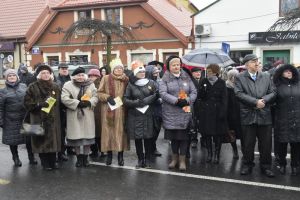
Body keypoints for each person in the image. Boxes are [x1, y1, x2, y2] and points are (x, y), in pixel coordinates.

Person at [234, 54, 276, 177]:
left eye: (257, 61)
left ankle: (266, 166)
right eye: (253, 61)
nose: (257, 63)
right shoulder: (240, 77)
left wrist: (264, 100)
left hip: (264, 115)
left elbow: (273, 92)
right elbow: (238, 93)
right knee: (248, 143)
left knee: (266, 144)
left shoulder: (266, 76)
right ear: (247, 65)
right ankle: (247, 164)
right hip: (248, 115)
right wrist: (254, 102)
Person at [159, 55, 197, 171]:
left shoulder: (186, 77)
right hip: (171, 113)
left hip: (185, 112)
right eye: (174, 65)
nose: (176, 67)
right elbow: (163, 93)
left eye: (178, 64)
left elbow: (194, 91)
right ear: (169, 67)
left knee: (184, 138)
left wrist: (187, 100)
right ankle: (174, 159)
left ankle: (182, 161)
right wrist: (176, 101)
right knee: (174, 139)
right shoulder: (164, 78)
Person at [24, 65, 61, 170]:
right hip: (37, 118)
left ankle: (53, 162)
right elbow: (26, 103)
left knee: (53, 140)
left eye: (47, 73)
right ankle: (45, 164)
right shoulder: (32, 86)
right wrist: (39, 104)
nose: (46, 75)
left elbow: (60, 102)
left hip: (54, 119)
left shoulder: (56, 86)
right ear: (39, 75)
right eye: (43, 73)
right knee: (40, 141)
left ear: (51, 75)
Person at [61, 67, 98, 167]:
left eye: (82, 75)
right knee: (76, 139)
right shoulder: (68, 85)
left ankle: (85, 159)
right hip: (74, 114)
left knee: (87, 138)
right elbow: (64, 98)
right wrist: (77, 103)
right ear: (74, 76)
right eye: (78, 75)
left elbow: (95, 96)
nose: (80, 77)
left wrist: (89, 102)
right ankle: (78, 158)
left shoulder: (91, 84)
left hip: (87, 113)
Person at [124, 61, 158, 168]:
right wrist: (137, 103)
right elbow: (125, 100)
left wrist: (149, 100)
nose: (143, 73)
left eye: (143, 71)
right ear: (135, 73)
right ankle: (140, 159)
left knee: (148, 138)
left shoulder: (151, 83)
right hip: (135, 115)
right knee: (138, 139)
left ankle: (147, 160)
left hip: (148, 114)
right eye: (140, 72)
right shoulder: (130, 84)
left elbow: (156, 95)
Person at [0, 69, 37, 167]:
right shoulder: (2, 92)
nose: (12, 77)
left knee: (29, 139)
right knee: (13, 141)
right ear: (6, 78)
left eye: (13, 75)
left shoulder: (24, 86)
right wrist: (1, 121)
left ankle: (31, 157)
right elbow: (0, 108)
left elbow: (30, 99)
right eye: (9, 76)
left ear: (17, 77)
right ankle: (15, 158)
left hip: (25, 118)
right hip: (10, 120)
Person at [98, 58, 129, 166]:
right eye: (117, 68)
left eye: (121, 68)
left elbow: (129, 94)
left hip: (122, 111)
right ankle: (109, 155)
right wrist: (107, 97)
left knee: (121, 133)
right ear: (113, 69)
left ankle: (121, 156)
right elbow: (99, 93)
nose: (119, 70)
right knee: (109, 133)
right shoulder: (106, 78)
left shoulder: (126, 79)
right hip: (108, 110)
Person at [273, 64, 300, 176]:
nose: (289, 72)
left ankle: (295, 165)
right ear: (281, 73)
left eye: (290, 71)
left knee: (296, 144)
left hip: (297, 119)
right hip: (282, 119)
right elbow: (272, 101)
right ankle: (282, 164)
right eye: (286, 71)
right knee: (282, 145)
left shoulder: (298, 84)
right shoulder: (277, 86)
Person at [198, 64, 227, 164]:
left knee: (218, 135)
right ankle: (209, 154)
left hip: (217, 112)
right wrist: (203, 90)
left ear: (215, 72)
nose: (208, 73)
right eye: (207, 71)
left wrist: (223, 112)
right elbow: (200, 97)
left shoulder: (221, 82)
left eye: (210, 71)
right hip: (206, 112)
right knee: (207, 134)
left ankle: (217, 155)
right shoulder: (203, 81)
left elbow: (224, 99)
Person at [145, 64, 162, 157]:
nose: (157, 73)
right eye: (154, 72)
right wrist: (156, 98)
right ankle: (150, 148)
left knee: (157, 129)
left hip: (159, 111)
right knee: (151, 131)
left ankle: (153, 147)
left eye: (157, 71)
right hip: (150, 110)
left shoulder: (159, 81)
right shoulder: (146, 83)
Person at [226, 69, 242, 159]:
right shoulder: (226, 87)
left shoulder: (240, 87)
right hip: (230, 115)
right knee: (232, 134)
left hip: (240, 114)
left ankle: (244, 150)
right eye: (232, 76)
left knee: (243, 134)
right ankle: (235, 150)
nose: (234, 78)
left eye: (236, 76)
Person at [56, 63, 71, 161]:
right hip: (60, 110)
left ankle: (71, 148)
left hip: (70, 108)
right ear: (59, 70)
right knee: (61, 132)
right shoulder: (56, 81)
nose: (65, 70)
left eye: (66, 68)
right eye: (62, 68)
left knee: (70, 130)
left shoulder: (71, 80)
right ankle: (61, 152)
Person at [87, 69, 102, 158]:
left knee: (99, 132)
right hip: (90, 110)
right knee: (92, 132)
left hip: (99, 111)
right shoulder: (87, 85)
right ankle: (94, 150)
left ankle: (101, 150)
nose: (91, 77)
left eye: (93, 76)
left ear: (97, 76)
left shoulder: (100, 84)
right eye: (90, 76)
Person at [190, 67, 202, 149]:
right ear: (192, 73)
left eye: (199, 72)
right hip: (193, 105)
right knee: (193, 123)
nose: (198, 74)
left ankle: (203, 139)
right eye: (196, 72)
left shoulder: (203, 81)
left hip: (202, 105)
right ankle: (194, 140)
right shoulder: (189, 82)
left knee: (202, 123)